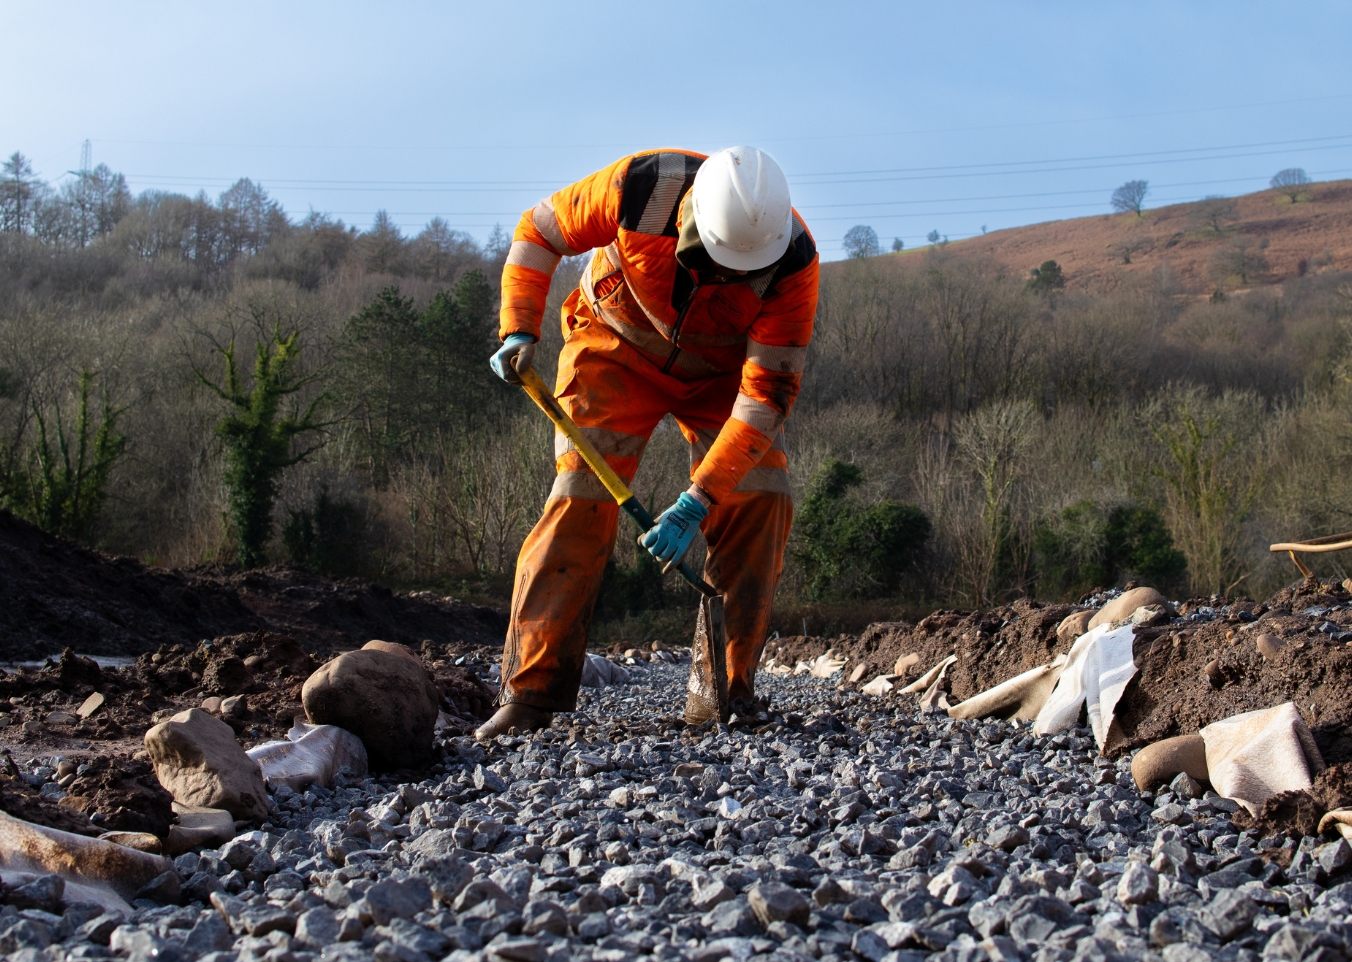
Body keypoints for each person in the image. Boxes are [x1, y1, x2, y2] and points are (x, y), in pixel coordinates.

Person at [476, 146, 819, 739]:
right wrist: (518, 325)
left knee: (761, 498)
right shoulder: (642, 185)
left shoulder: (793, 263)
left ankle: (725, 693)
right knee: (581, 496)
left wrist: (699, 498)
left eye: (743, 270)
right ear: (691, 220)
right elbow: (537, 232)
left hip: (722, 378)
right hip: (614, 346)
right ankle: (531, 693)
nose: (728, 277)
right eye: (717, 261)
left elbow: (765, 398)